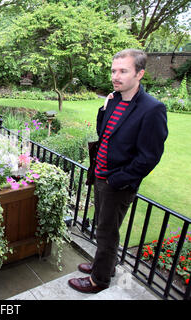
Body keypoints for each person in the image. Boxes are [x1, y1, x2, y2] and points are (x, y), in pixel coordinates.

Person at [68, 49, 168, 293]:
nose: (116, 75)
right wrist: (104, 108)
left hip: (118, 184)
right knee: (103, 228)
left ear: (140, 74)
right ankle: (105, 266)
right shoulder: (114, 100)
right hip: (101, 177)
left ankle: (98, 280)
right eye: (114, 70)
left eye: (123, 71)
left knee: (106, 232)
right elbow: (104, 135)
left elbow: (149, 157)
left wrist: (116, 180)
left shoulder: (152, 109)